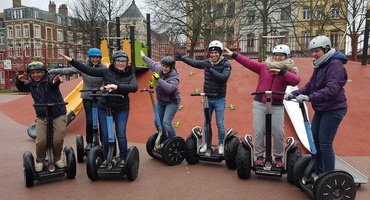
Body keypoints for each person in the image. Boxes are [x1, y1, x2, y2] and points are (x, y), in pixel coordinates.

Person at [224, 44, 300, 167]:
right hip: (260, 103)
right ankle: (259, 155)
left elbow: (296, 80)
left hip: (276, 105)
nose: (277, 58)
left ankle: (278, 156)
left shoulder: (288, 71)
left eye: (281, 56)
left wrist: (282, 72)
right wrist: (233, 54)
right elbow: (248, 62)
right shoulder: (264, 67)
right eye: (276, 55)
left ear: (286, 57)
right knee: (259, 130)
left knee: (278, 131)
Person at [59, 50, 138, 167]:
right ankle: (107, 158)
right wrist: (72, 61)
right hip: (104, 106)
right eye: (118, 61)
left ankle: (123, 158)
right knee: (105, 134)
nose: (121, 63)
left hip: (122, 108)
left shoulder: (130, 75)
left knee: (121, 134)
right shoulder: (106, 71)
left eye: (123, 61)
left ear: (127, 62)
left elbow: (134, 87)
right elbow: (88, 70)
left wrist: (117, 87)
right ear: (114, 62)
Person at [285, 35, 348, 176]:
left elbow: (332, 89)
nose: (314, 55)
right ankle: (319, 173)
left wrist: (309, 97)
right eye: (312, 52)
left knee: (325, 143)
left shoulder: (335, 64)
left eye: (317, 51)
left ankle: (329, 176)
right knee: (315, 142)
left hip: (334, 109)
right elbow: (311, 85)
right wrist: (294, 93)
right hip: (322, 108)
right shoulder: (320, 64)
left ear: (326, 49)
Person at [176, 40, 231, 154]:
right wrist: (182, 58)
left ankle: (221, 143)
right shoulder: (207, 62)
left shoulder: (226, 64)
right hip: (207, 98)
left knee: (219, 123)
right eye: (211, 53)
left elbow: (223, 78)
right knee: (206, 122)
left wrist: (210, 69)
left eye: (216, 52)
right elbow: (195, 63)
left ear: (220, 53)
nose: (213, 55)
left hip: (219, 98)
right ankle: (208, 143)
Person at [50, 48, 104, 151]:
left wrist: (104, 87)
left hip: (100, 97)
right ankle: (89, 142)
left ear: (100, 58)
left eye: (97, 58)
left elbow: (108, 79)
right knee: (89, 120)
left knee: (102, 120)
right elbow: (68, 70)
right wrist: (51, 71)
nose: (95, 59)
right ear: (89, 58)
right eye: (93, 57)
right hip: (87, 96)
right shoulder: (84, 67)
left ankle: (103, 141)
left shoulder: (103, 68)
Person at [16, 61, 67, 172]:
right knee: (41, 141)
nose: (35, 75)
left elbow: (52, 82)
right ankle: (40, 161)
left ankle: (57, 159)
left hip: (58, 114)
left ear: (43, 72)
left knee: (57, 140)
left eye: (38, 72)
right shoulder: (31, 84)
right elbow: (21, 88)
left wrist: (55, 81)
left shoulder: (49, 79)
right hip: (42, 116)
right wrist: (19, 81)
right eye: (32, 73)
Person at [140, 50, 181, 141]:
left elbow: (169, 89)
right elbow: (152, 64)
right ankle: (164, 140)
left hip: (172, 102)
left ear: (171, 67)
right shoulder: (159, 69)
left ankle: (173, 141)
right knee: (157, 122)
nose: (164, 68)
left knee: (166, 122)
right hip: (161, 102)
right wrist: (143, 56)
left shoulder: (174, 77)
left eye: (166, 67)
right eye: (163, 66)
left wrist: (159, 79)